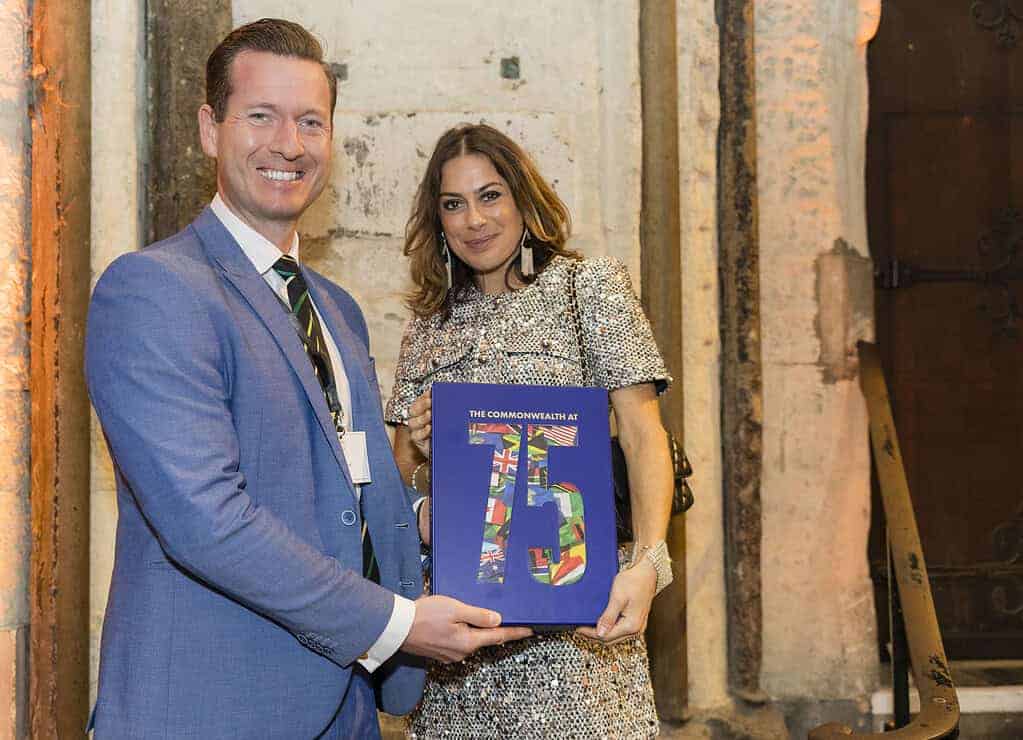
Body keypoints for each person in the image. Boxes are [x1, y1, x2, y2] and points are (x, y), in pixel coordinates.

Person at [85, 22, 528, 739]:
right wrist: (396, 624)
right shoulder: (154, 291)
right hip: (212, 708)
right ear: (210, 129)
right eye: (261, 116)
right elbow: (206, 520)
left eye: (310, 122)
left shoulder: (334, 307)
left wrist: (427, 519)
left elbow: (348, 481)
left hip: (344, 707)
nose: (288, 143)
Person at [386, 123, 676, 739]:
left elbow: (643, 431)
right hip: (463, 639)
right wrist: (424, 458)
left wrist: (649, 562)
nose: (474, 220)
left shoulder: (587, 286)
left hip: (578, 628)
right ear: (437, 220)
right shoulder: (429, 325)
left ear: (522, 199)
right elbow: (398, 477)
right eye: (453, 204)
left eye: (490, 196)